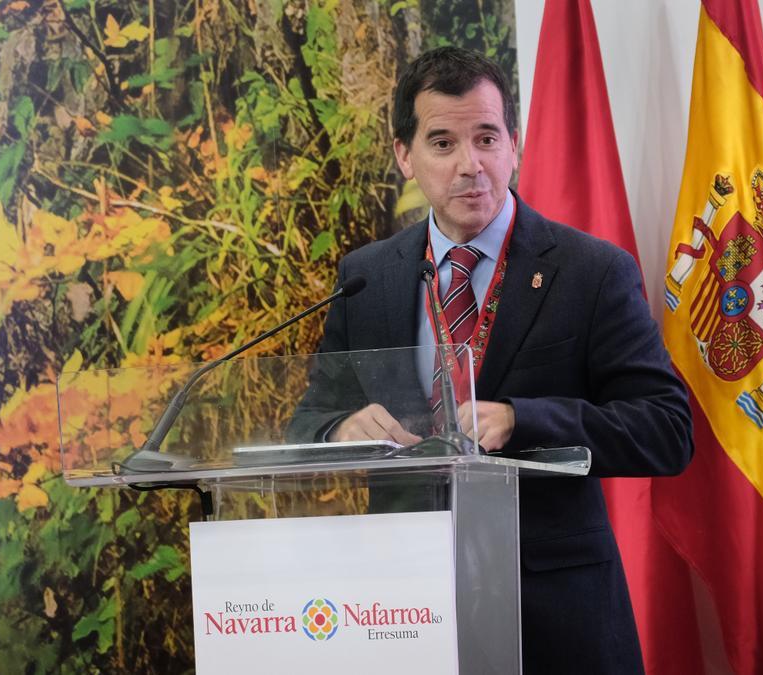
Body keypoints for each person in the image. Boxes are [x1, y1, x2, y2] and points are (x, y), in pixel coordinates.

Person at [296, 46, 693, 673]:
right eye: (443, 143)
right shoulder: (365, 279)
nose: (470, 165)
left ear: (516, 143)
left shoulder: (590, 272)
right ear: (404, 155)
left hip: (555, 617)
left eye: (486, 137)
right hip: (400, 611)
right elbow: (308, 421)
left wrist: (522, 419)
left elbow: (667, 430)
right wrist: (339, 429)